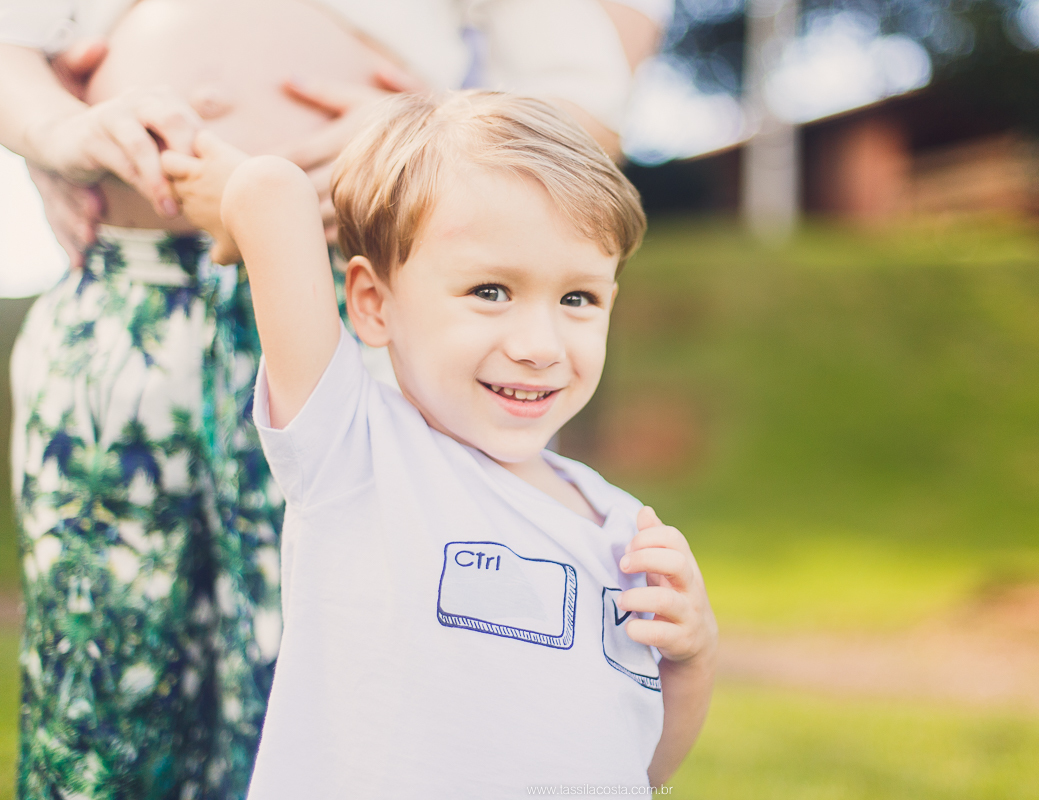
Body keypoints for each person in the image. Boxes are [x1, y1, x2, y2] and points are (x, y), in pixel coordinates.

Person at [0, 1, 666, 797]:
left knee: (321, 662)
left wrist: (423, 145)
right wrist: (57, 133)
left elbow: (584, 117)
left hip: (353, 311)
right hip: (122, 300)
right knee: (98, 679)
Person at [160, 89, 718, 797]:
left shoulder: (623, 528)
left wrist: (692, 658)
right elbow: (271, 191)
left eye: (578, 298)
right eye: (490, 290)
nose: (539, 346)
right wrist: (239, 193)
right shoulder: (357, 453)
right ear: (373, 303)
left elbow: (639, 767)